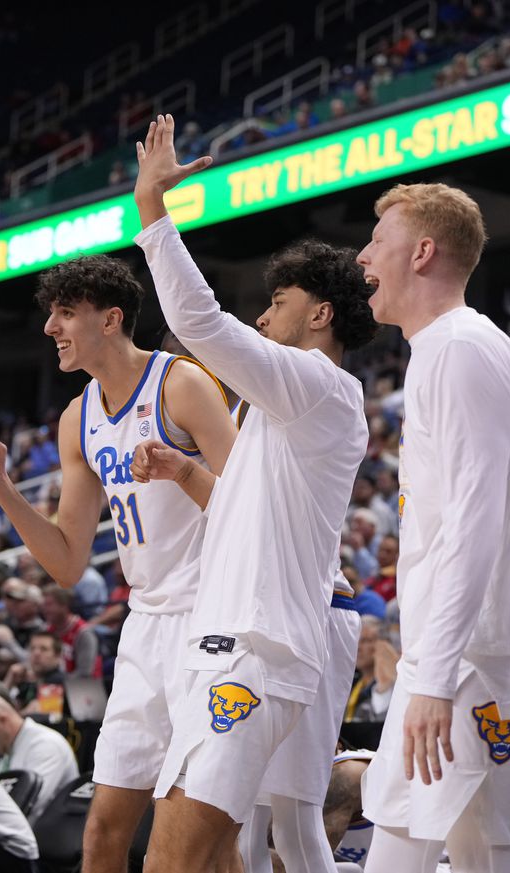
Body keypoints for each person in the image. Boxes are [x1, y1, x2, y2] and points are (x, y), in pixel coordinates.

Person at [131, 114, 372, 873]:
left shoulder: (319, 383)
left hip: (251, 652)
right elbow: (250, 506)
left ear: (321, 314)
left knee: (181, 859)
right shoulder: (283, 410)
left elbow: (199, 321)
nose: (265, 314)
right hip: (239, 644)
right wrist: (185, 472)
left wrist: (152, 211)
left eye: (280, 300)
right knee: (228, 853)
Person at [0, 249, 236, 873]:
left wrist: (184, 468)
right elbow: (66, 562)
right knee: (102, 835)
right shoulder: (76, 418)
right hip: (144, 628)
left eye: (65, 313)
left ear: (110, 319)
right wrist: (2, 489)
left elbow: (255, 508)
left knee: (204, 841)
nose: (49, 328)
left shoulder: (182, 383)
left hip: (213, 622)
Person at [355, 181, 510, 873]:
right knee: (486, 857)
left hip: (471, 660)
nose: (363, 257)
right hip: (492, 656)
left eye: (377, 241)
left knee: (397, 849)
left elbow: (475, 525)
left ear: (422, 252)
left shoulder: (457, 347)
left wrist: (435, 676)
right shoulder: (458, 347)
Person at [0, 694, 80, 821]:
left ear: (2, 720)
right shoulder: (10, 747)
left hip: (46, 835)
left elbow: (26, 804)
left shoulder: (46, 745)